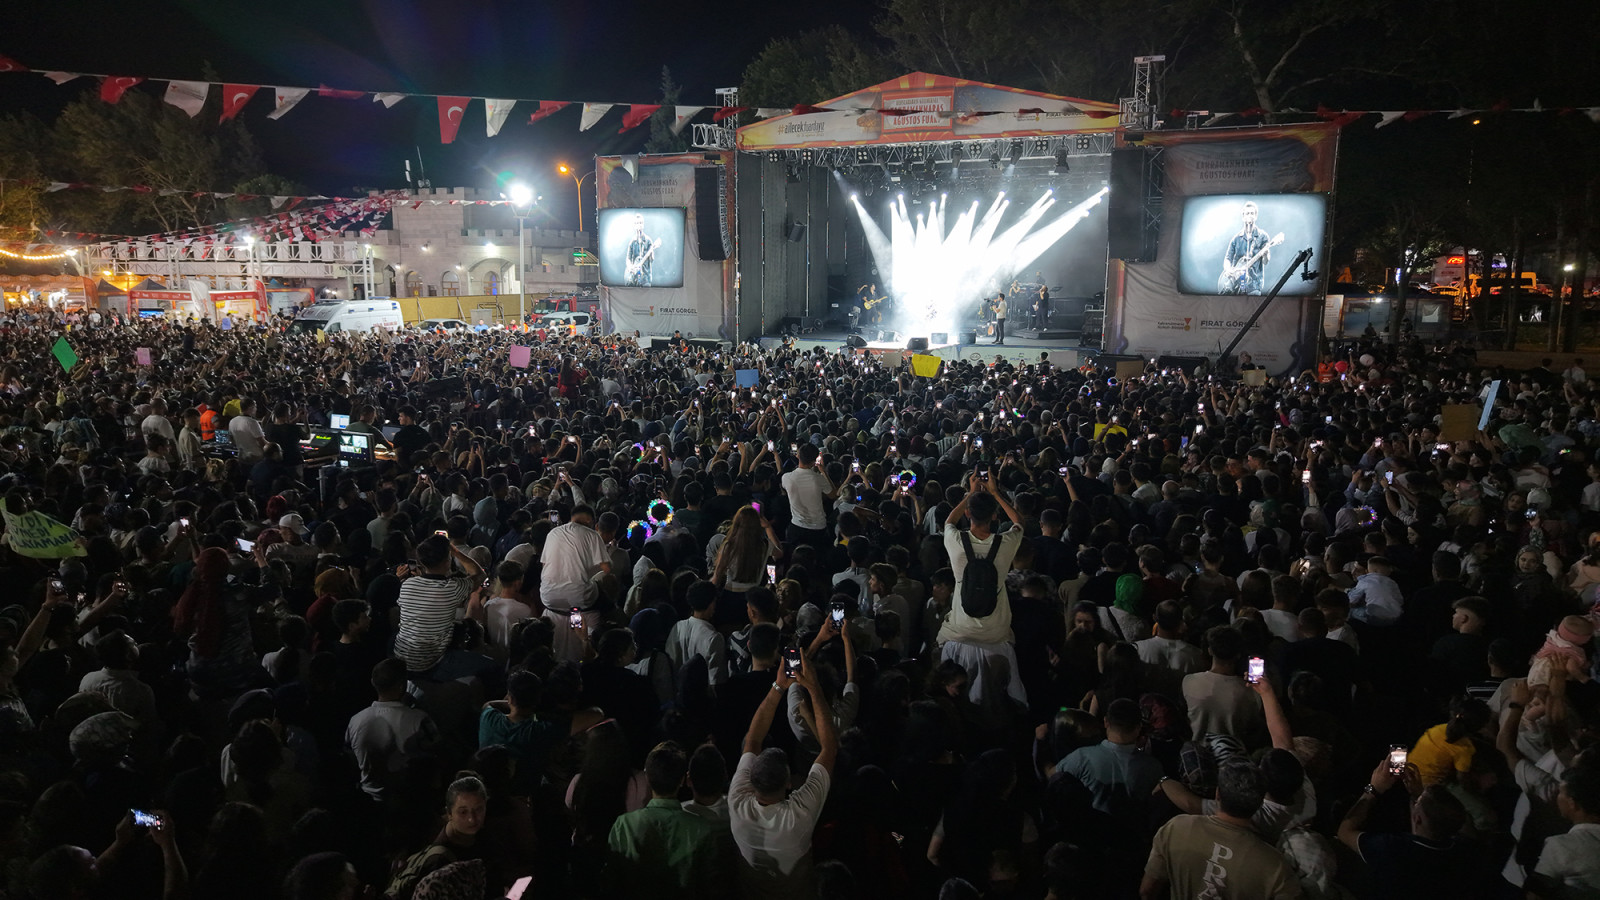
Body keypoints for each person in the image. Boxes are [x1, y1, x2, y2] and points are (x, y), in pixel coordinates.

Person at [728, 647, 836, 899]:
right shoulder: (798, 816)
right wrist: (814, 688)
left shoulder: (736, 802)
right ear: (789, 783)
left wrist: (779, 686)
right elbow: (830, 748)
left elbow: (752, 740)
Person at [1141, 758, 1303, 899]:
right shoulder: (1275, 867)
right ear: (1259, 803)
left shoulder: (1176, 827)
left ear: (1217, 794)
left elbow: (1147, 891)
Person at [939, 469, 1027, 707]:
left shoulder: (956, 542)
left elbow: (949, 522)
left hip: (960, 629)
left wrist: (970, 493)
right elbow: (1019, 523)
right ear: (995, 515)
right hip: (996, 632)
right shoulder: (1005, 543)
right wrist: (995, 493)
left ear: (968, 513)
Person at [603, 741, 725, 898]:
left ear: (647, 778)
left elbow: (612, 880)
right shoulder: (701, 828)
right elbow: (709, 886)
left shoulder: (625, 824)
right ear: (682, 780)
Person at [539, 502, 614, 661]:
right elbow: (606, 569)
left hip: (548, 597)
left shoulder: (552, 533)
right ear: (590, 521)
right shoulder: (592, 535)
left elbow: (545, 565)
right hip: (580, 600)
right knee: (607, 594)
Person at [1219, 200, 1273, 295]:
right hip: (1237, 285)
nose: (1250, 215)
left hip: (1254, 285)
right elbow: (1227, 259)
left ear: (1256, 216)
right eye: (1247, 213)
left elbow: (1265, 262)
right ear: (1243, 217)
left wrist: (1265, 254)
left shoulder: (1262, 236)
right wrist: (1229, 270)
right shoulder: (1236, 239)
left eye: (1252, 213)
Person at [625, 213, 663, 287]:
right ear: (634, 225)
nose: (639, 225)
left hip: (645, 278)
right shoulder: (632, 242)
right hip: (634, 278)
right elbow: (628, 258)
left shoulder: (648, 241)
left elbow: (651, 260)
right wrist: (630, 268)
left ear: (643, 225)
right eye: (637, 223)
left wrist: (651, 252)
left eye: (640, 223)